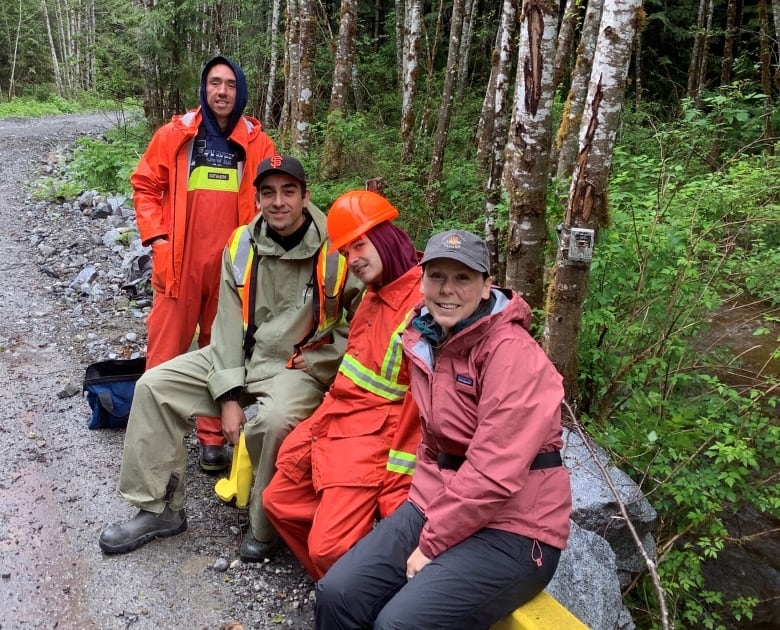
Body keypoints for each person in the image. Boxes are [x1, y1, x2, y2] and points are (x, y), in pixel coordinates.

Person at [99, 155, 363, 562]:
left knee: (275, 422)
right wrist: (227, 397)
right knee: (154, 386)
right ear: (256, 198)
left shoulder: (337, 248)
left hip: (298, 364)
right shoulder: (242, 243)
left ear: (306, 196)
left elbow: (369, 318)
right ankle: (159, 508)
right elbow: (224, 325)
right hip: (239, 356)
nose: (278, 202)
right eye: (268, 193)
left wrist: (326, 358)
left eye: (288, 192)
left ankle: (265, 526)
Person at [315, 229, 572, 630]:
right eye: (436, 276)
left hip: (516, 529)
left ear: (487, 285)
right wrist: (418, 509)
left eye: (463, 278)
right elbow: (431, 442)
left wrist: (431, 543)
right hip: (440, 502)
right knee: (338, 593)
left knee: (400, 624)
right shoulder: (425, 338)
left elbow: (493, 473)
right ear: (421, 281)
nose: (447, 290)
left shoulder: (511, 353)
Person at [263, 190, 422, 580]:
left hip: (373, 442)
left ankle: (368, 598)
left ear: (385, 237)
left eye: (361, 245)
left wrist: (396, 496)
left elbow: (419, 414)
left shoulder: (422, 307)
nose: (354, 260)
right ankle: (345, 579)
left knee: (328, 546)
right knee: (278, 500)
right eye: (347, 252)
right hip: (340, 425)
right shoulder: (374, 295)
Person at [131, 55, 276, 473]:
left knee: (223, 352)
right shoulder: (176, 134)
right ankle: (159, 442)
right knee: (165, 353)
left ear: (241, 90)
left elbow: (273, 201)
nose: (222, 92)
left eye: (230, 84)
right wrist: (157, 240)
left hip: (232, 268)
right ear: (204, 88)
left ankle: (213, 438)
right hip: (179, 264)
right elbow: (144, 185)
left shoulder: (257, 143)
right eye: (215, 83)